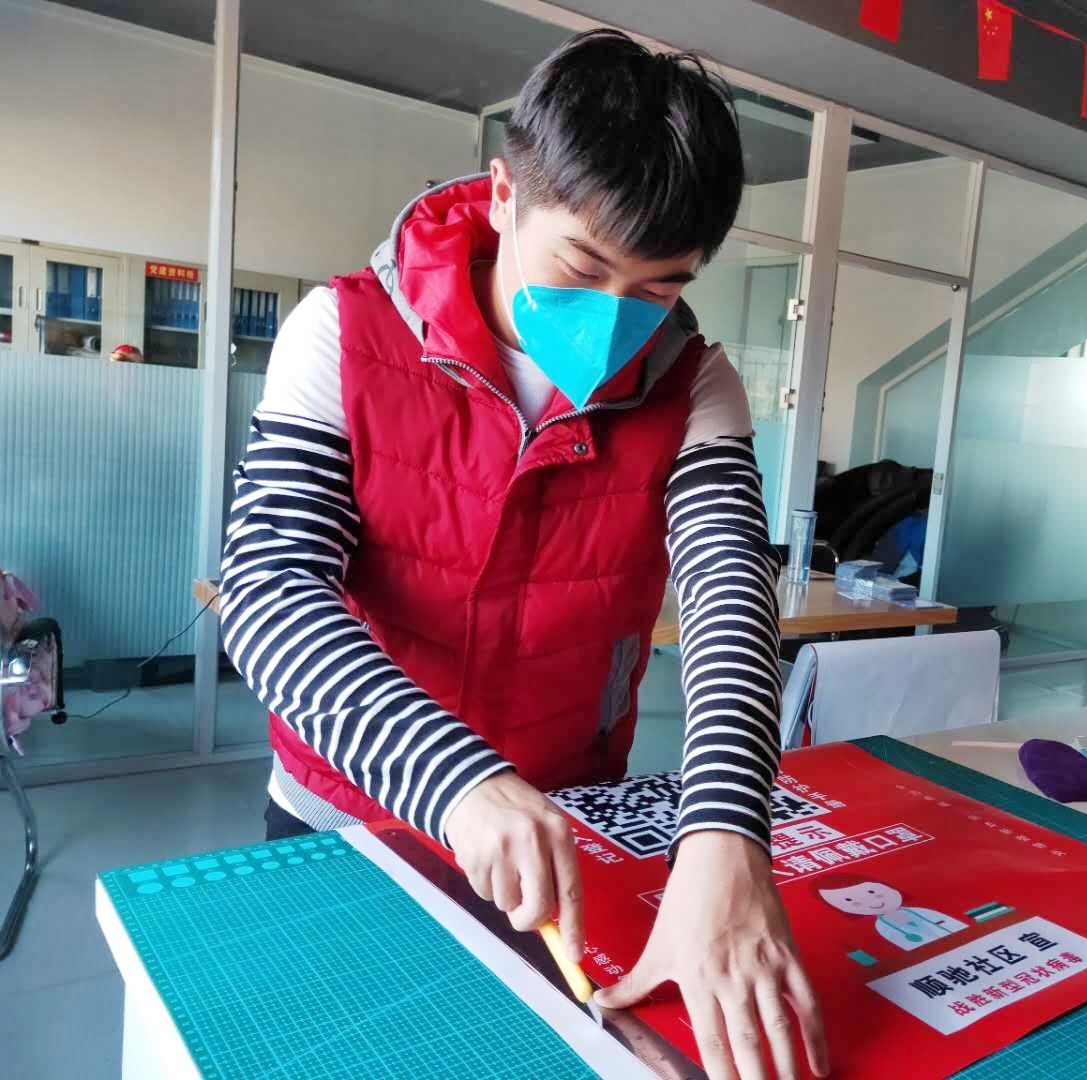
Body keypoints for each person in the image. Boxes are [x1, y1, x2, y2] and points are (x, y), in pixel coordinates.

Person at [220, 30, 826, 1080]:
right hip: (347, 815)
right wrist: (454, 779)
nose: (616, 319)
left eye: (660, 287)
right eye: (583, 267)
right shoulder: (344, 334)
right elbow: (270, 594)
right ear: (504, 195)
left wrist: (727, 833)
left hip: (565, 826)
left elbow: (731, 599)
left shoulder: (695, 384)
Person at [813, 875, 967, 951]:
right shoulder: (882, 927)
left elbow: (957, 926)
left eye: (872, 892)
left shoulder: (922, 911)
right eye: (850, 901)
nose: (874, 903)